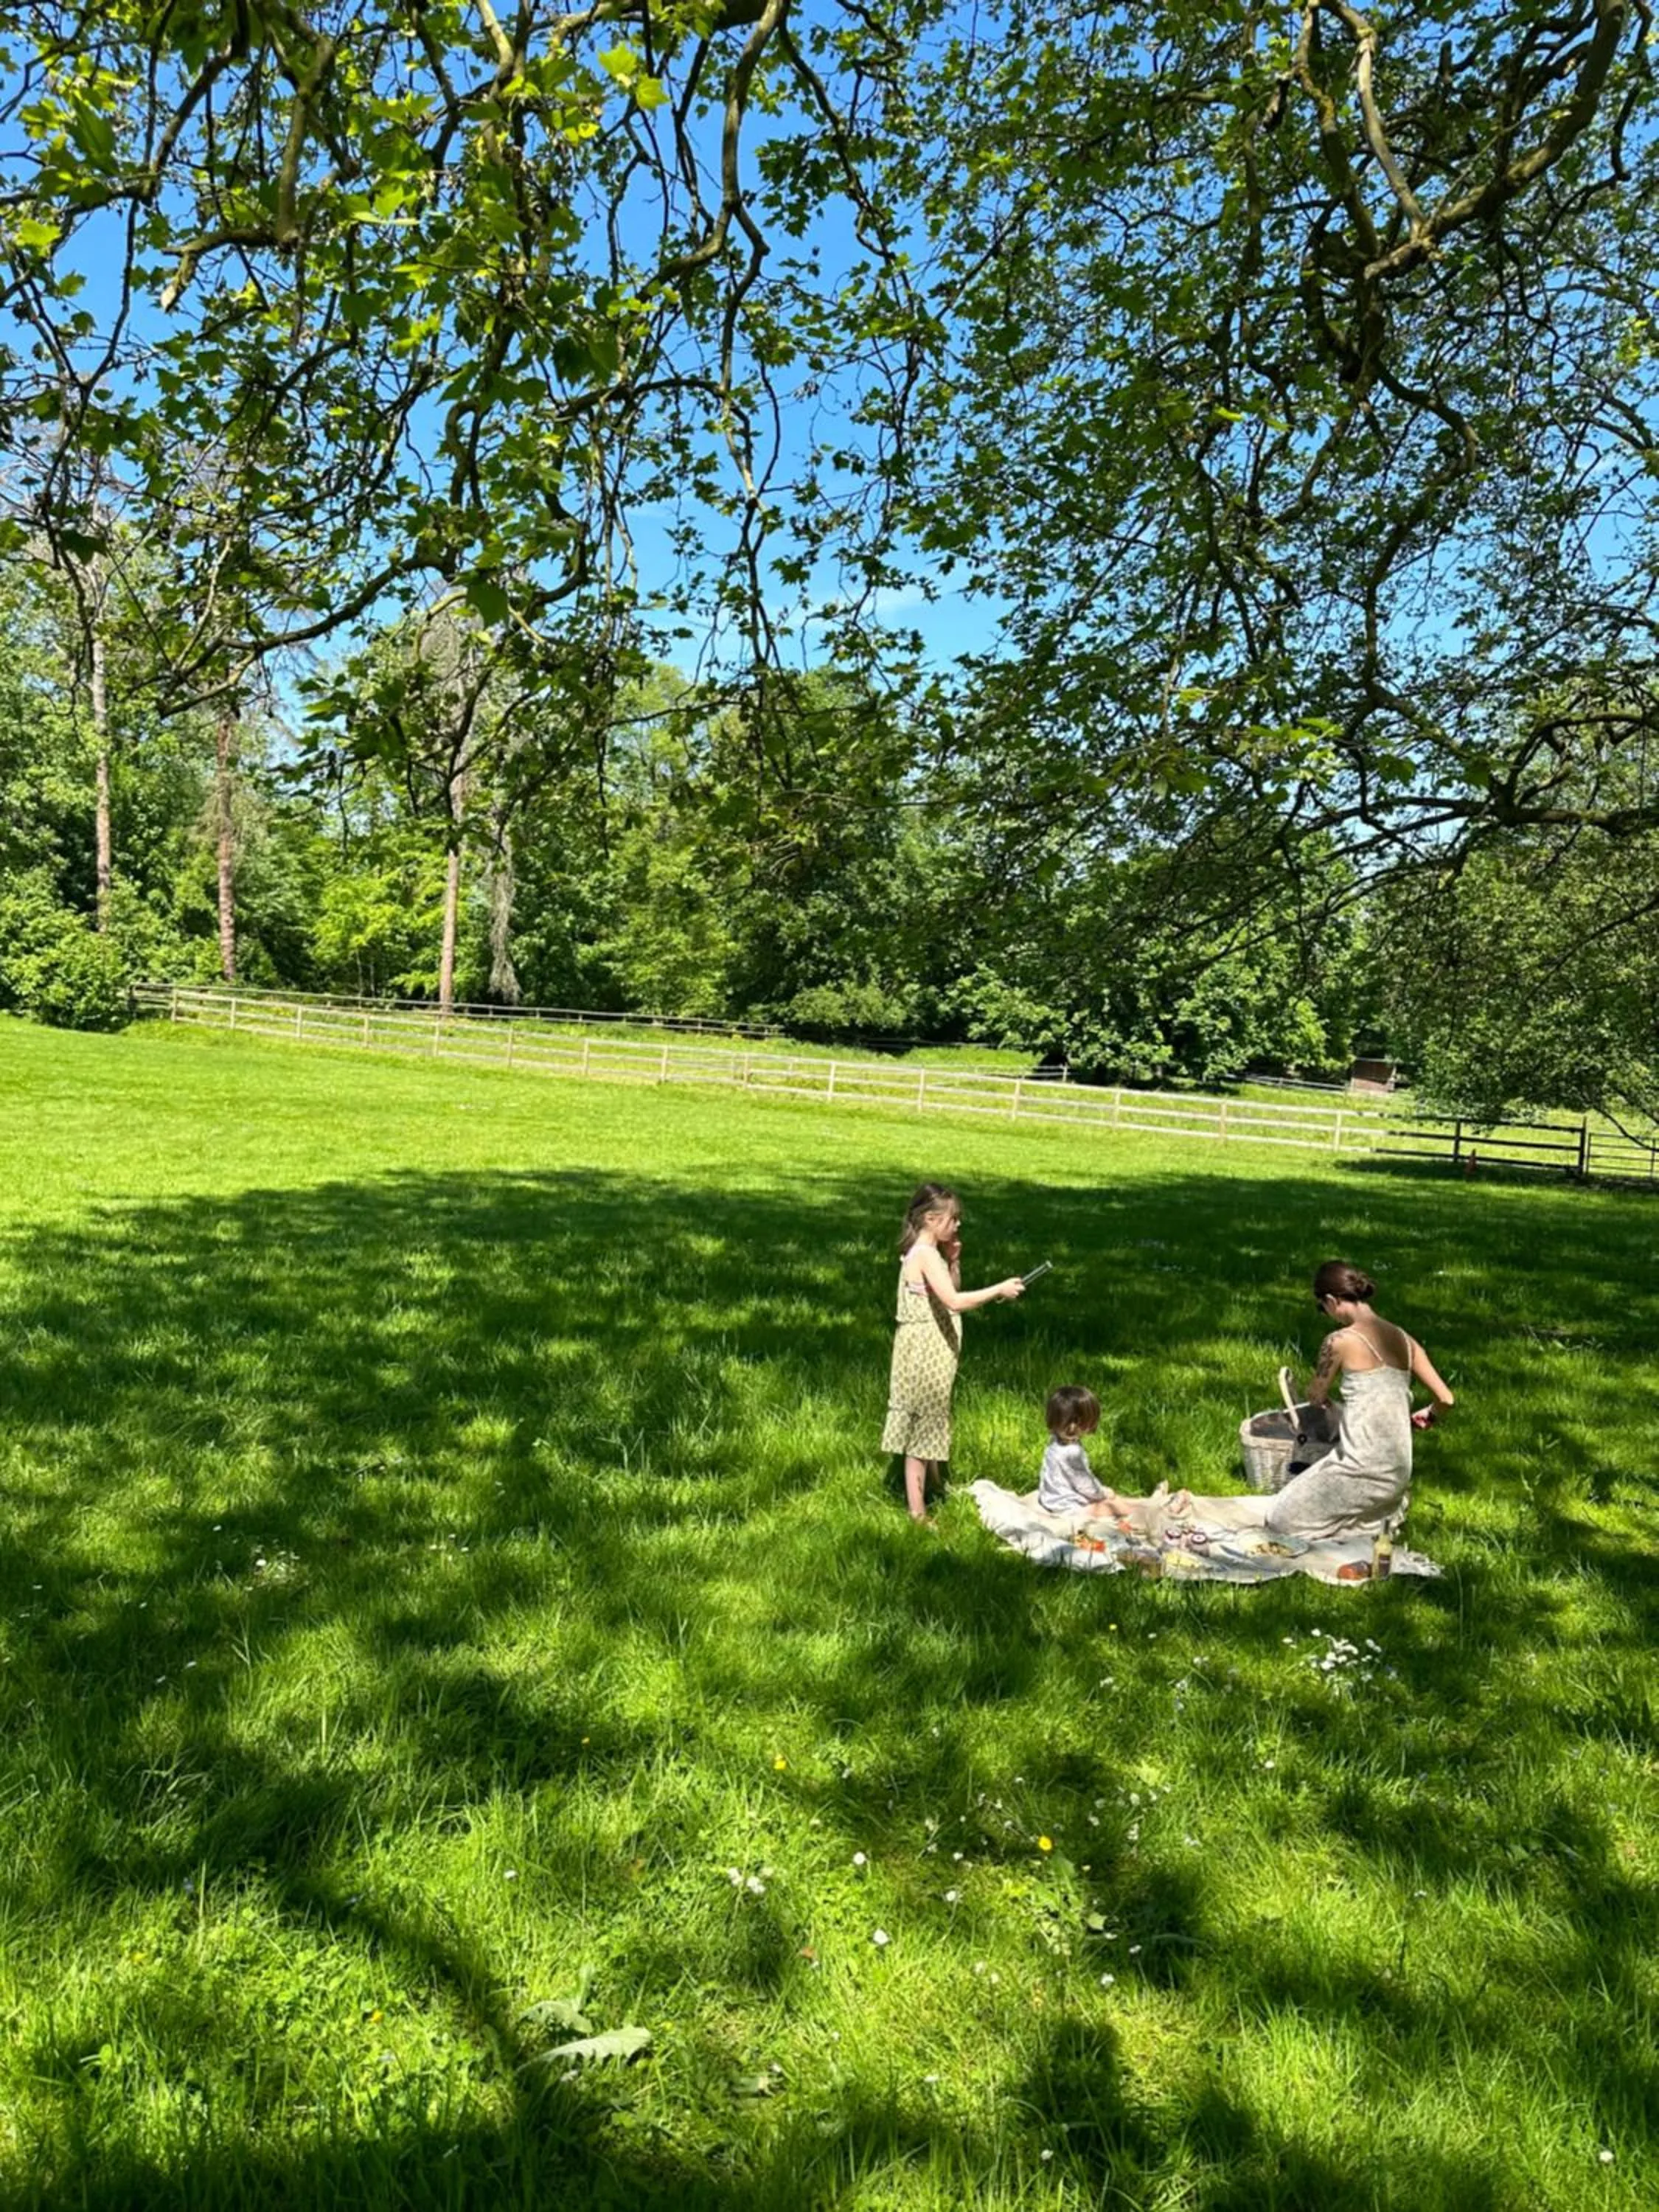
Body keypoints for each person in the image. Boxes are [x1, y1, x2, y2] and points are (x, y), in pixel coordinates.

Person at [1262, 1259, 1455, 1542]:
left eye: (1322, 1308)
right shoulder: (1405, 1340)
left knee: (1278, 1519)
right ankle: (1373, 1524)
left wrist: (1318, 1394)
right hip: (1399, 1472)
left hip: (1359, 1466)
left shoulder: (1338, 1341)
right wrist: (1429, 1414)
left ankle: (1359, 1529)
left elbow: (1316, 1396)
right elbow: (1446, 1399)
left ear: (1331, 1300)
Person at [883, 1182, 1025, 1523]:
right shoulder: (924, 1255)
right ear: (931, 1219)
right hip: (923, 1354)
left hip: (933, 1351)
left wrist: (955, 1261)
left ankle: (935, 1486)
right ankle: (918, 1512)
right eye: (953, 1219)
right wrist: (999, 1289)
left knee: (932, 1417)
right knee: (921, 1425)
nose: (958, 1225)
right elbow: (955, 1302)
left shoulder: (933, 1255)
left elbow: (950, 1288)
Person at [1037, 1385, 1111, 1517]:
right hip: (1066, 1505)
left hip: (1050, 1498)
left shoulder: (1055, 1441)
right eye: (1067, 1421)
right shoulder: (1071, 1452)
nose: (1072, 1427)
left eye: (1078, 1422)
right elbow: (1083, 1482)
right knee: (1113, 1507)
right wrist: (1101, 1493)